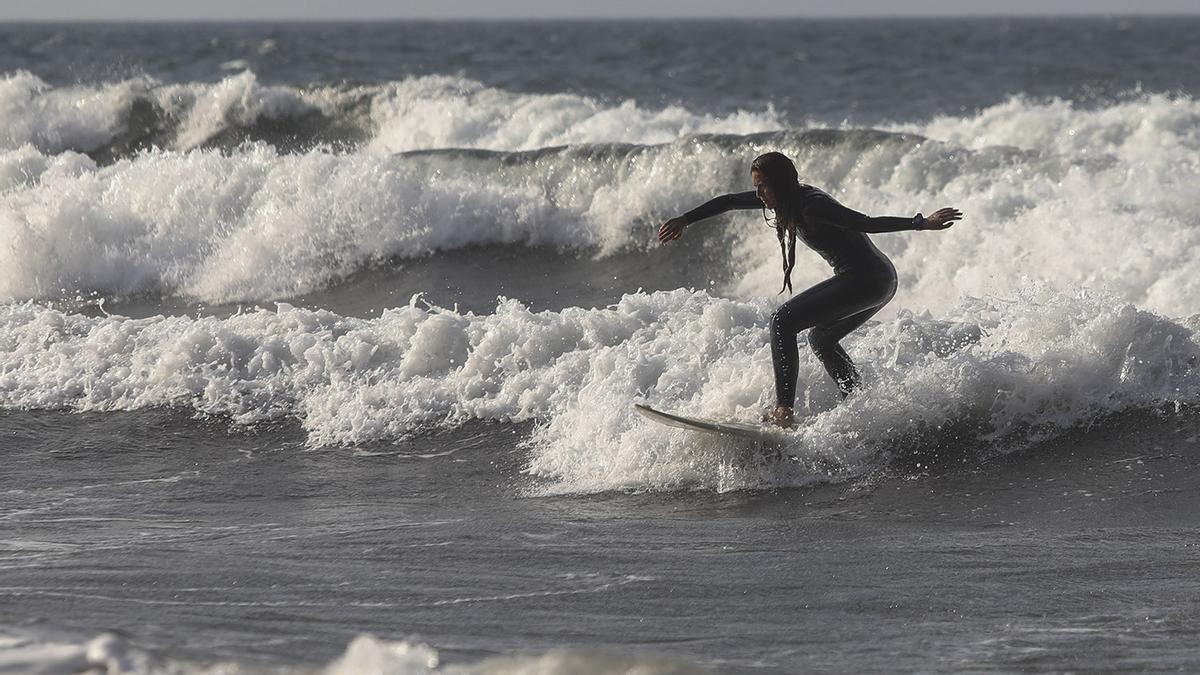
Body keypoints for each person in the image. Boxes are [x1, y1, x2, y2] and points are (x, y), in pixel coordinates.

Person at [657, 151, 961, 428]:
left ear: (780, 183)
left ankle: (783, 413)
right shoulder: (781, 199)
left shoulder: (813, 205)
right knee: (821, 339)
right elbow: (728, 201)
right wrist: (685, 219)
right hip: (875, 280)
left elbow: (866, 223)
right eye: (756, 187)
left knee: (782, 321)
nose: (759, 194)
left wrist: (922, 222)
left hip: (868, 279)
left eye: (763, 186)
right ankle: (859, 404)